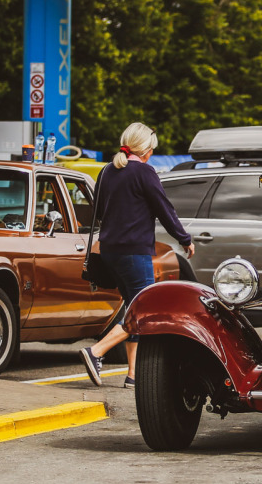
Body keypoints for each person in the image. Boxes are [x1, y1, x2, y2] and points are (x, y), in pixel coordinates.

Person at [79, 123, 194, 388]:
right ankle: (96, 352)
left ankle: (133, 374)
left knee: (133, 306)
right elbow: (164, 209)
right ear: (145, 149)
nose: (152, 153)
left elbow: (98, 210)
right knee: (146, 309)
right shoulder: (144, 172)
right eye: (152, 149)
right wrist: (184, 239)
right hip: (134, 251)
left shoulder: (107, 170)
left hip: (109, 251)